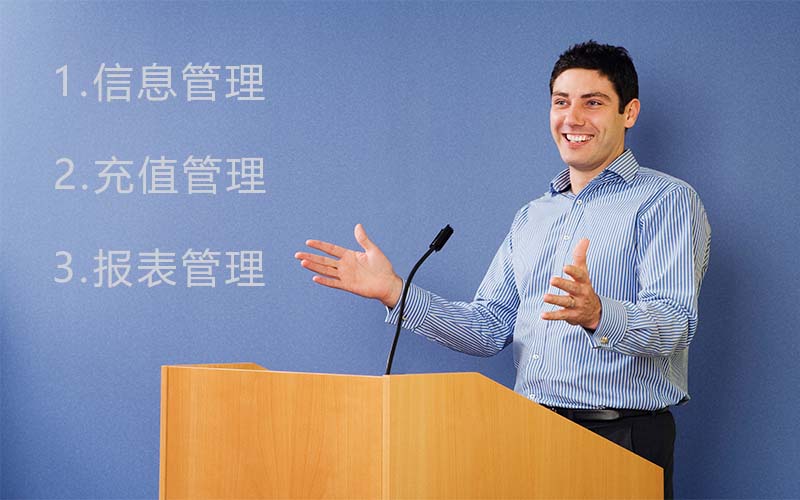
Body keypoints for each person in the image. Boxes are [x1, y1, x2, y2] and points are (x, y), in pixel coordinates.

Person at [295, 41, 710, 498]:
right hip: (527, 433)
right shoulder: (532, 216)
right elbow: (488, 327)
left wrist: (598, 314)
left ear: (628, 112)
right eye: (561, 102)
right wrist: (395, 292)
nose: (572, 118)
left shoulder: (666, 200)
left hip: (620, 437)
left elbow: (676, 324)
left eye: (593, 103)